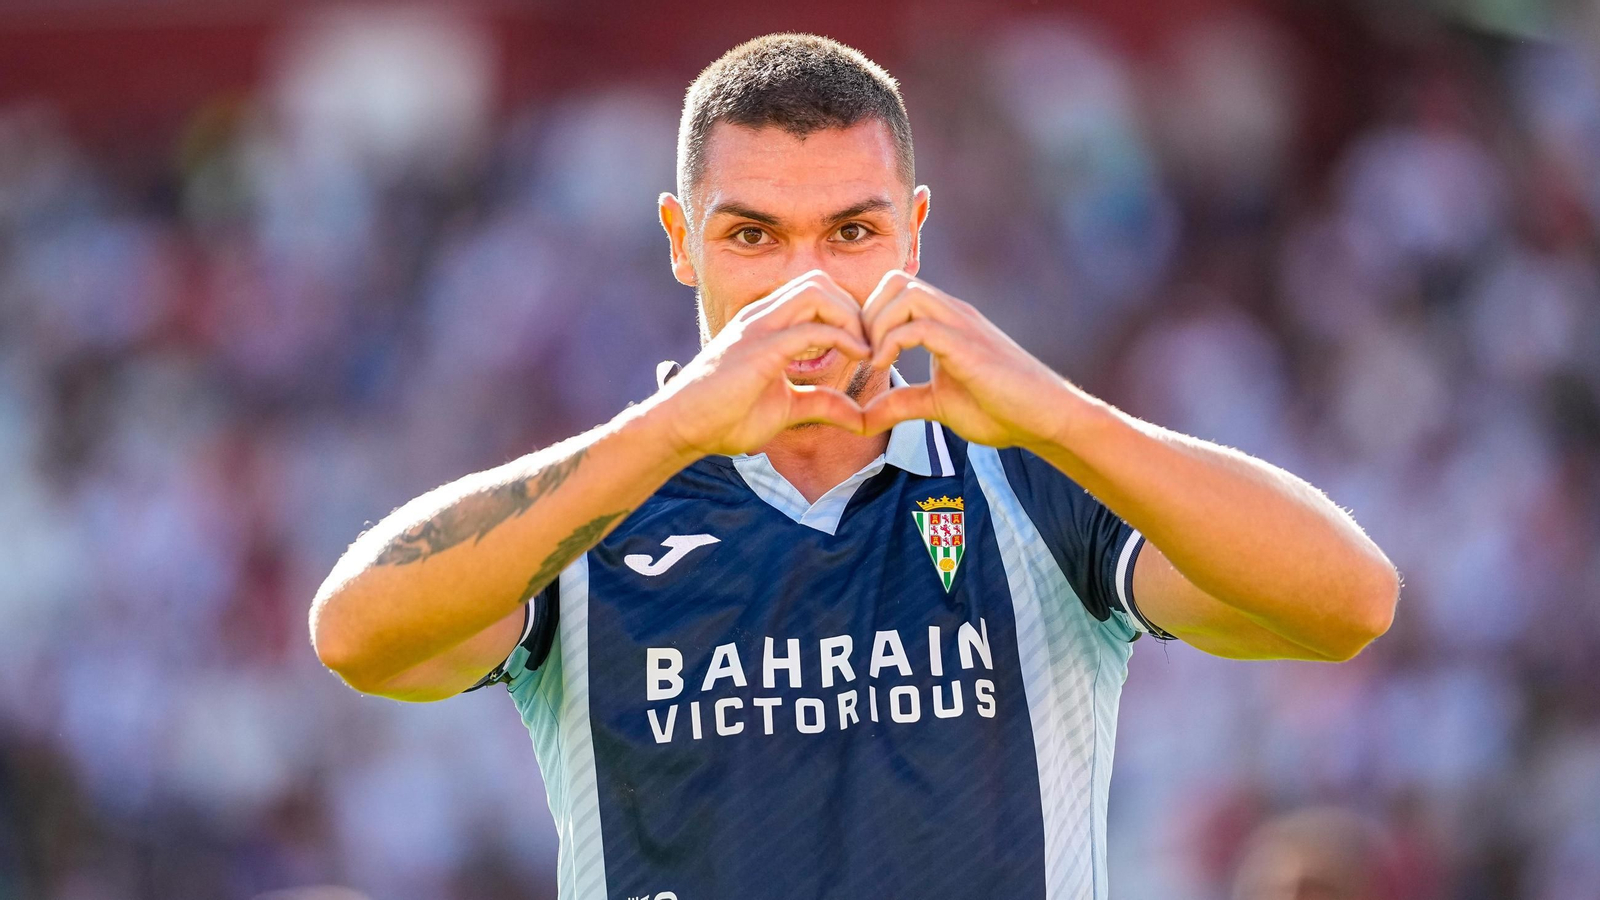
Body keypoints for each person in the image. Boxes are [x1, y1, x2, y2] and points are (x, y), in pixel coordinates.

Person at [309, 32, 1398, 900]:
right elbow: (356, 633)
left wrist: (1061, 414)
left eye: (850, 232)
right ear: (680, 240)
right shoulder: (598, 507)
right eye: (752, 237)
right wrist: (671, 430)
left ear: (912, 233)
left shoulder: (1028, 479)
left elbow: (1348, 604)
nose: (807, 285)